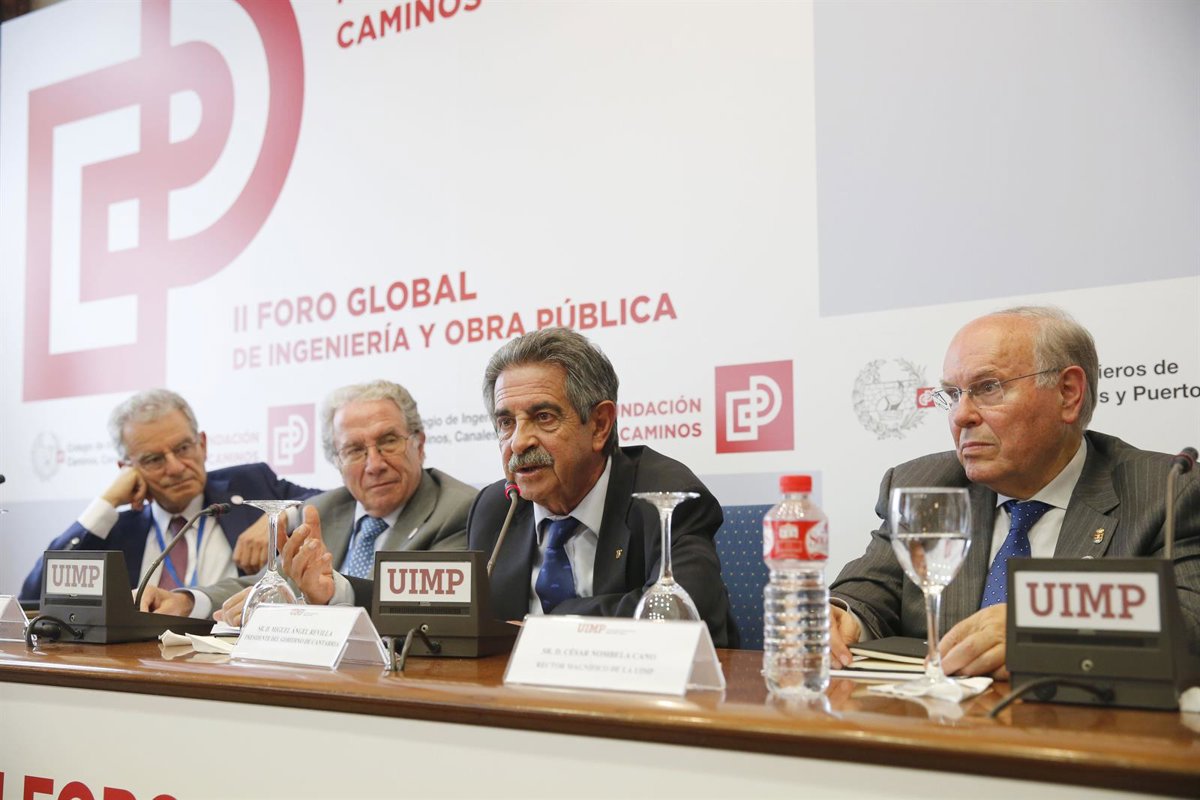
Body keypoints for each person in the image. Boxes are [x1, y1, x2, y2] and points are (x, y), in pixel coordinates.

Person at [828, 306, 1200, 677]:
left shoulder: (1166, 491)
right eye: (953, 394)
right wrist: (841, 615)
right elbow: (867, 593)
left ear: (1068, 393)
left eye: (988, 387)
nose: (961, 415)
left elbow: (1189, 625)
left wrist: (1039, 629)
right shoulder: (925, 485)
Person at [467, 327, 737, 647]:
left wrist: (547, 626)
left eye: (543, 417)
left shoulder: (665, 498)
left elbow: (682, 614)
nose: (518, 442)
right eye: (506, 423)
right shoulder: (494, 509)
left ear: (599, 425)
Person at [141, 380, 478, 622]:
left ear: (419, 444)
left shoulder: (459, 510)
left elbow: (430, 606)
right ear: (337, 462)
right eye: (354, 450)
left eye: (388, 441)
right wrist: (189, 602)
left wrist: (333, 594)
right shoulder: (327, 509)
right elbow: (266, 584)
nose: (374, 464)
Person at [20, 389, 318, 600]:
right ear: (127, 468)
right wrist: (105, 502)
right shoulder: (117, 531)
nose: (175, 468)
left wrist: (281, 516)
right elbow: (34, 597)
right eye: (153, 460)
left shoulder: (251, 485)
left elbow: (334, 502)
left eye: (183, 448)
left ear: (202, 444)